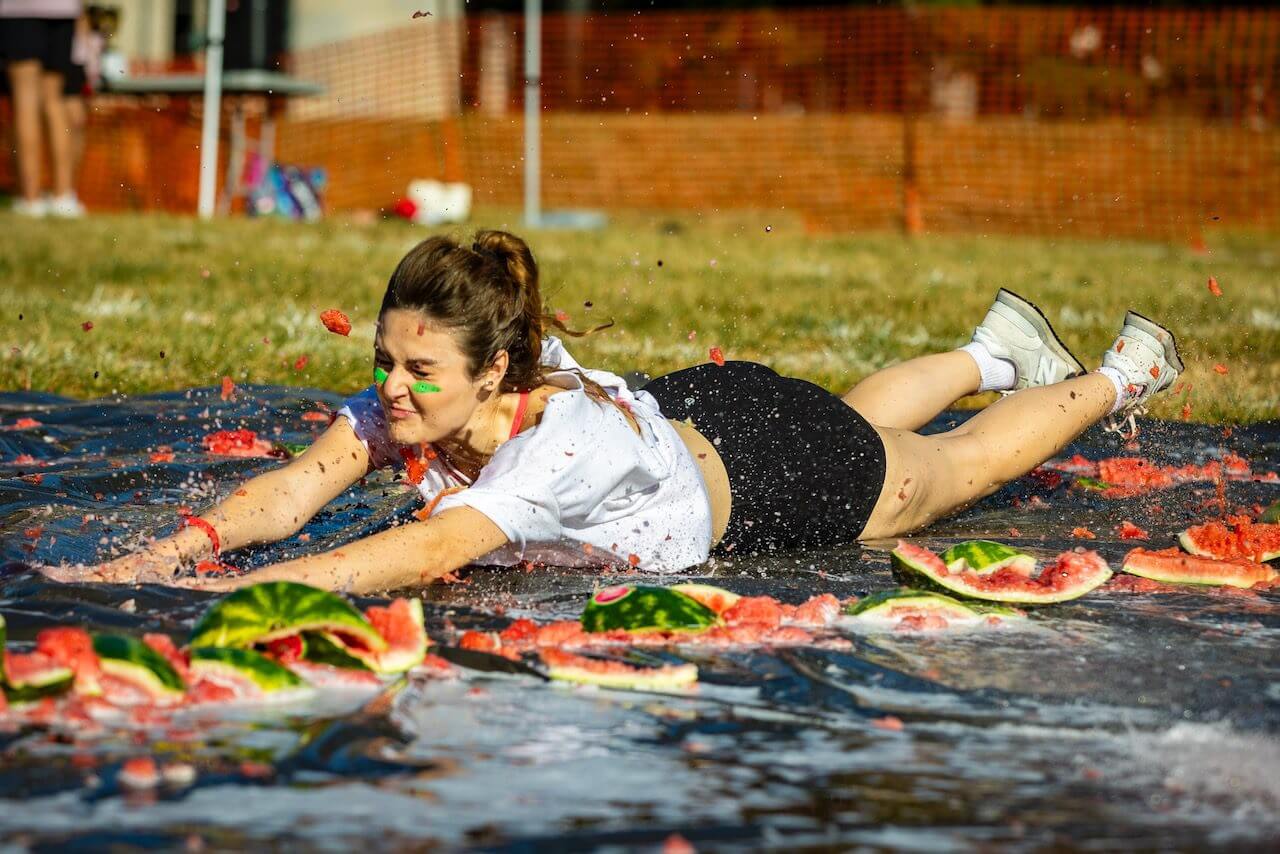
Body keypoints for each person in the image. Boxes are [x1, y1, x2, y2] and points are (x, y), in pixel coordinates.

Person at [50, 230, 1182, 593]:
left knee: (945, 473)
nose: (388, 387)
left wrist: (246, 598)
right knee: (849, 413)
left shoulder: (549, 453)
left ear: (493, 376)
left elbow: (429, 545)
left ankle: (1125, 369)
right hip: (703, 407)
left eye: (417, 371)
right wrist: (165, 552)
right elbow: (292, 488)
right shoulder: (415, 400)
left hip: (766, 481)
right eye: (386, 361)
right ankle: (989, 346)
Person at [1, 0, 85, 217]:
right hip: (63, 10)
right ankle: (63, 198)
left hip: (19, 11)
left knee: (25, 101)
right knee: (54, 100)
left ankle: (31, 201)